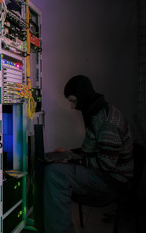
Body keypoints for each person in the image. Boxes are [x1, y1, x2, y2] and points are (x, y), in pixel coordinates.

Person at [43, 75, 134, 233]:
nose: (72, 106)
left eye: (73, 100)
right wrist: (70, 154)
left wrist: (73, 161)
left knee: (54, 174)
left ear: (82, 96)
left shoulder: (107, 122)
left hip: (112, 181)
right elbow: (92, 151)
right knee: (54, 164)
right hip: (106, 173)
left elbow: (106, 164)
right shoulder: (98, 112)